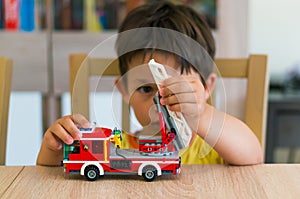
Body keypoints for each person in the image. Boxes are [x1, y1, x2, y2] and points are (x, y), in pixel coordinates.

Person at [37, 1, 263, 166]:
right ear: (125, 90)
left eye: (178, 89)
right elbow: (53, 177)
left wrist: (201, 115)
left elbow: (254, 156)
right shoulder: (119, 147)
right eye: (146, 89)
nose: (161, 102)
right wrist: (54, 151)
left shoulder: (215, 147)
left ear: (207, 88)